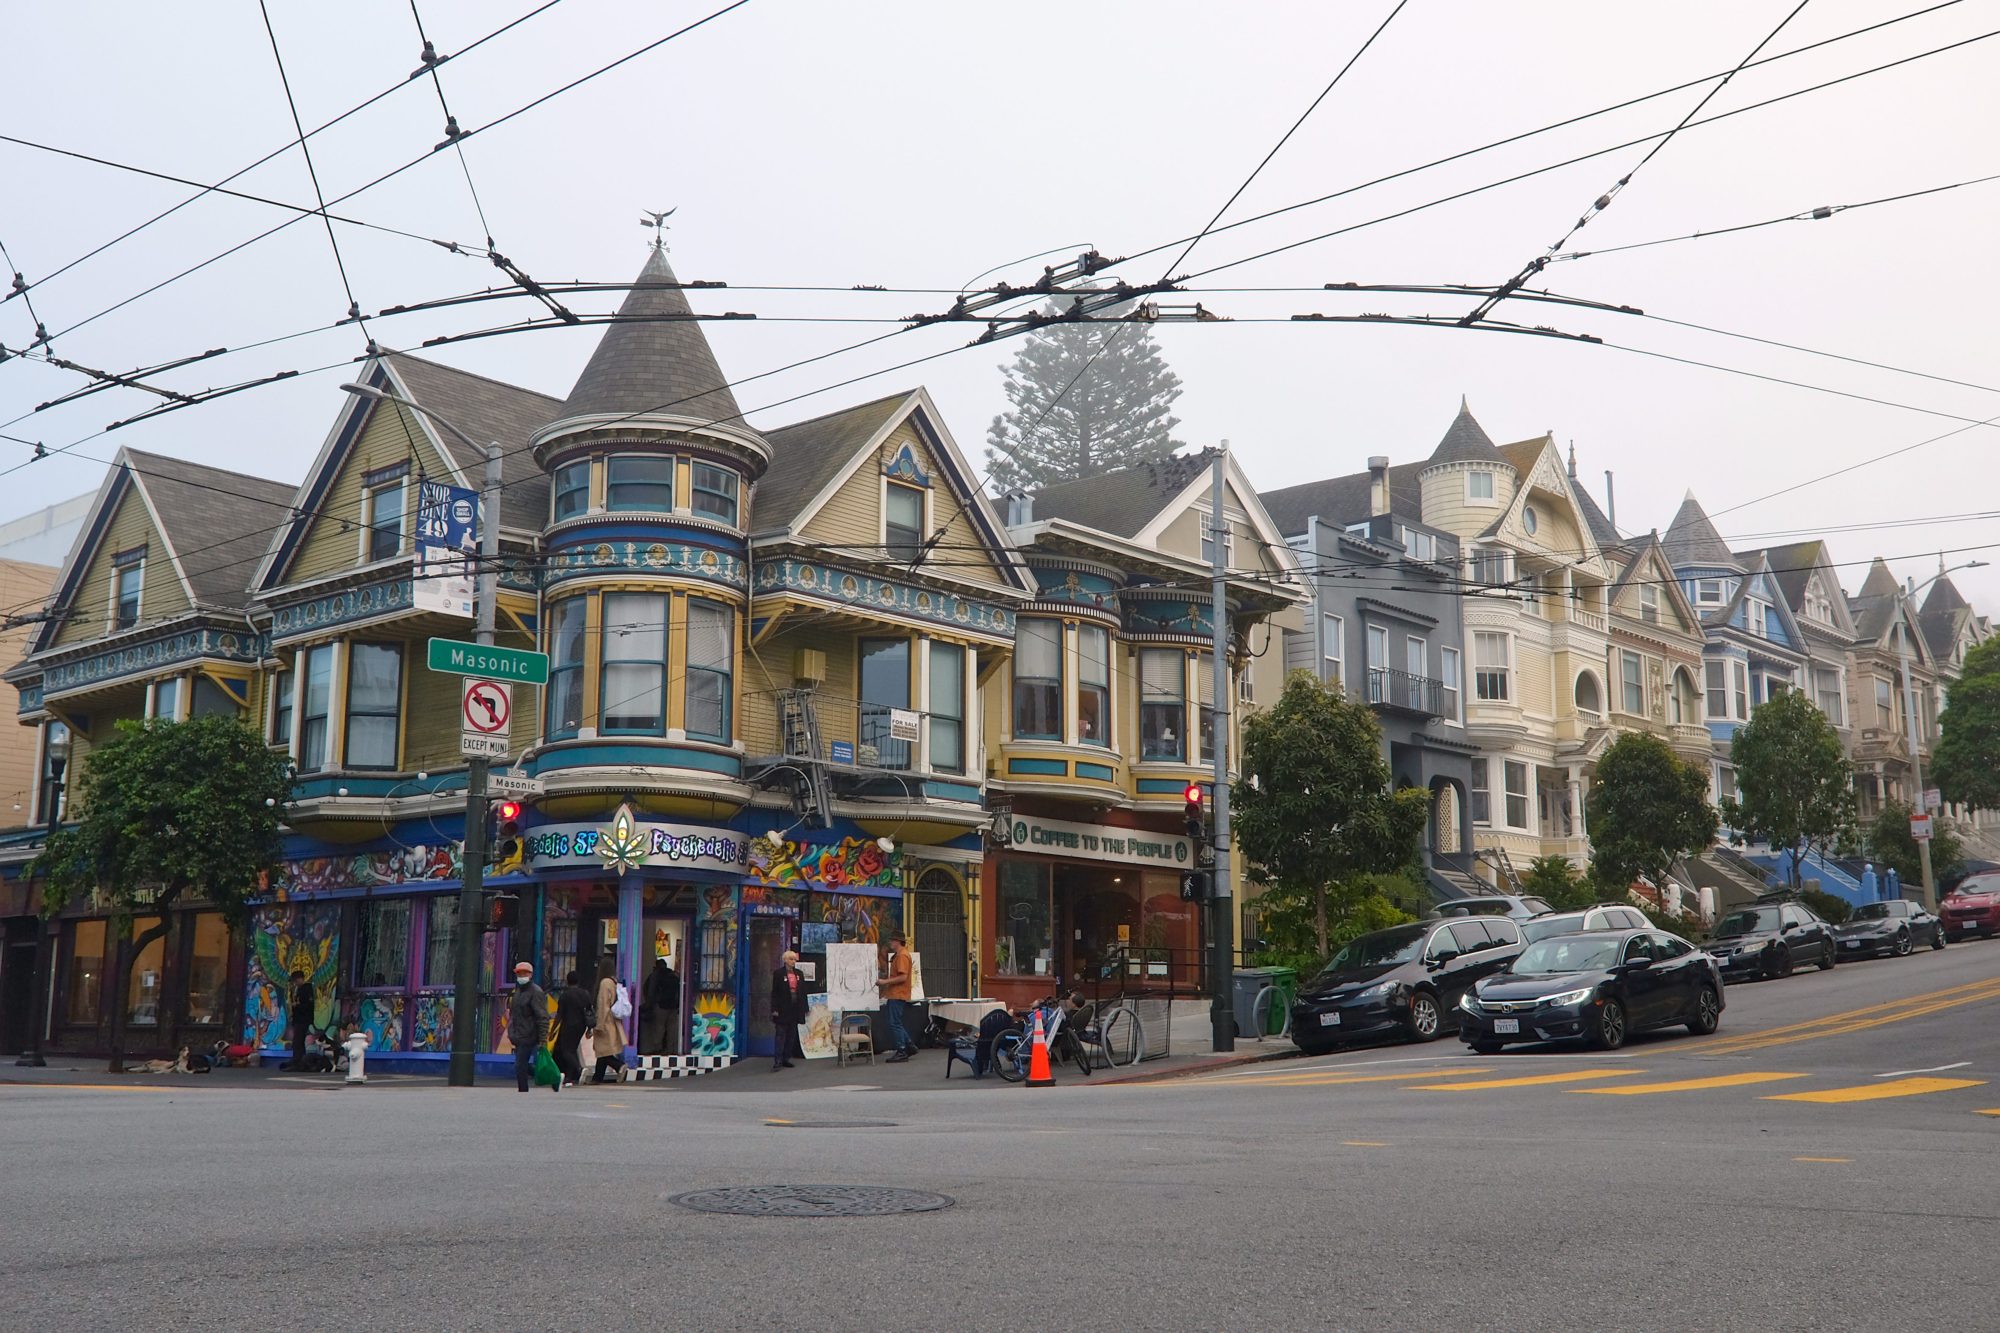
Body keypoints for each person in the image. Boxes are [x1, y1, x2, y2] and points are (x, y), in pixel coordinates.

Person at [507, 961, 551, 1093]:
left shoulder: (536, 992)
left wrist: (543, 1039)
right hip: (519, 1035)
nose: (521, 976)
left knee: (520, 1065)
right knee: (523, 1065)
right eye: (519, 973)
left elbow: (542, 1017)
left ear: (531, 975)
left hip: (529, 1035)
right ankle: (553, 1079)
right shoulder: (518, 992)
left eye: (524, 973)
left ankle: (523, 1091)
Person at [879, 933, 917, 1062]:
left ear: (897, 942)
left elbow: (903, 977)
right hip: (895, 993)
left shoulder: (902, 956)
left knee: (894, 1022)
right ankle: (909, 1045)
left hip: (898, 993)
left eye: (892, 940)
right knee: (895, 1021)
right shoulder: (901, 955)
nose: (890, 943)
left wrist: (885, 982)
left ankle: (902, 1050)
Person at [770, 950, 808, 1070]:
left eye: (794, 959)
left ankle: (786, 1058)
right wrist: (774, 1008)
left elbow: (803, 992)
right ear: (785, 960)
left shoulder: (799, 974)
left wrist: (805, 1007)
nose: (793, 961)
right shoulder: (779, 973)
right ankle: (778, 1060)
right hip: (782, 1009)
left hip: (795, 1009)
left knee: (791, 1035)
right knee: (780, 1035)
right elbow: (775, 992)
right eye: (791, 959)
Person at [553, 970, 593, 1089]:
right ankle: (569, 1078)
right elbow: (590, 1012)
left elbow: (559, 1015)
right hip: (581, 1026)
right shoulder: (585, 994)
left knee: (566, 1051)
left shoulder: (565, 995)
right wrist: (589, 1028)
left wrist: (553, 1030)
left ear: (567, 981)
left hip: (568, 1026)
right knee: (572, 1049)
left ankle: (579, 1069)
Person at [592, 957, 627, 1084]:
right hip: (611, 1021)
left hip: (605, 1022)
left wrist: (599, 1024)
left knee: (603, 1052)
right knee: (603, 1051)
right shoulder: (613, 982)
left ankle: (618, 1066)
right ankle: (597, 1077)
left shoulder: (604, 983)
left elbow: (603, 1005)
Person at [641, 954, 681, 1055]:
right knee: (671, 1028)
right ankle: (670, 1049)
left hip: (660, 1006)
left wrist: (649, 1003)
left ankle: (657, 1048)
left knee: (659, 1027)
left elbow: (650, 990)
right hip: (673, 1006)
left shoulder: (655, 975)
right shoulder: (673, 975)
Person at [287, 969, 315, 1071]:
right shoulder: (297, 990)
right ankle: (300, 1061)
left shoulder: (307, 989)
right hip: (298, 1019)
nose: (295, 983)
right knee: (298, 1042)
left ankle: (298, 1061)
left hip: (303, 1019)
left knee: (297, 1041)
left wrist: (297, 1006)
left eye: (295, 981)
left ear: (300, 979)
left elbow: (308, 1005)